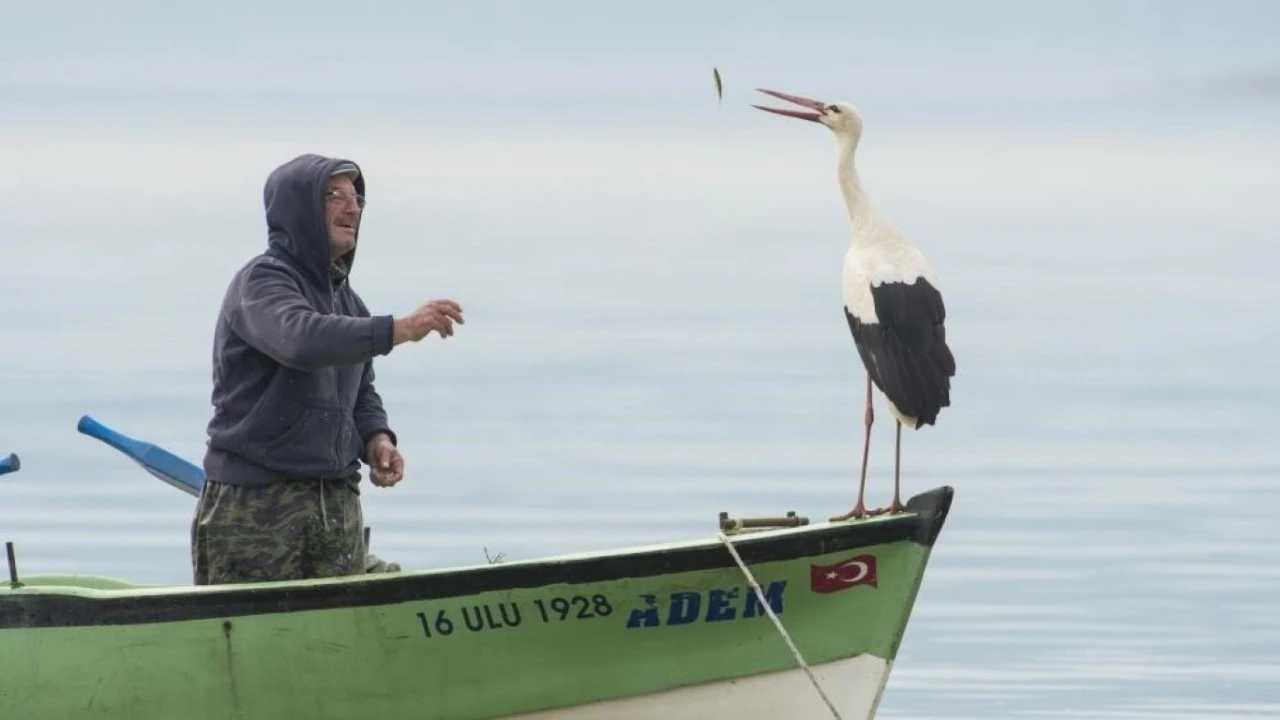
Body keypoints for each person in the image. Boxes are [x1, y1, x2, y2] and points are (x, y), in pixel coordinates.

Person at [191, 153, 464, 585]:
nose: (352, 208)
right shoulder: (262, 283)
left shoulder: (350, 304)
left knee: (339, 640)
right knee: (260, 642)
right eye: (334, 195)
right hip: (258, 503)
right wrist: (402, 329)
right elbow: (300, 340)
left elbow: (360, 392)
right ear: (297, 209)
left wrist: (376, 437)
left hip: (336, 502)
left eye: (356, 198)